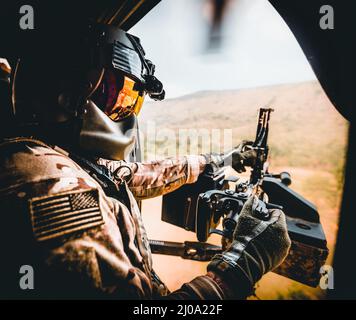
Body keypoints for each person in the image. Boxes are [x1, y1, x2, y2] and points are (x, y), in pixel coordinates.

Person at [0, 5, 291, 300]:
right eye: (120, 98)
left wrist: (218, 160)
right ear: (67, 94)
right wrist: (237, 269)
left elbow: (136, 175)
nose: (127, 114)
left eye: (133, 102)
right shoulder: (49, 187)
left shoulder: (53, 157)